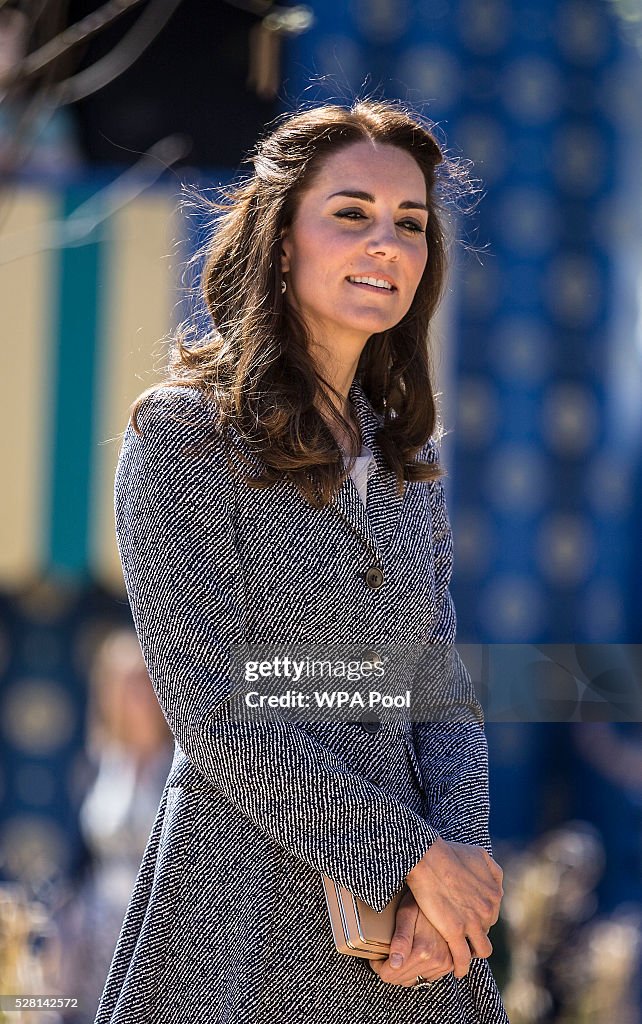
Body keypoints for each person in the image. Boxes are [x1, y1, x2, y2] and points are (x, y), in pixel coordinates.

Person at [94, 99, 509, 1024]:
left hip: (411, 955)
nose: (387, 243)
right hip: (238, 918)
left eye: (411, 224)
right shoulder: (182, 437)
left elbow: (437, 692)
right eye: (351, 213)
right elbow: (213, 711)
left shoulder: (407, 458)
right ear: (282, 243)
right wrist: (408, 856)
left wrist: (451, 878)